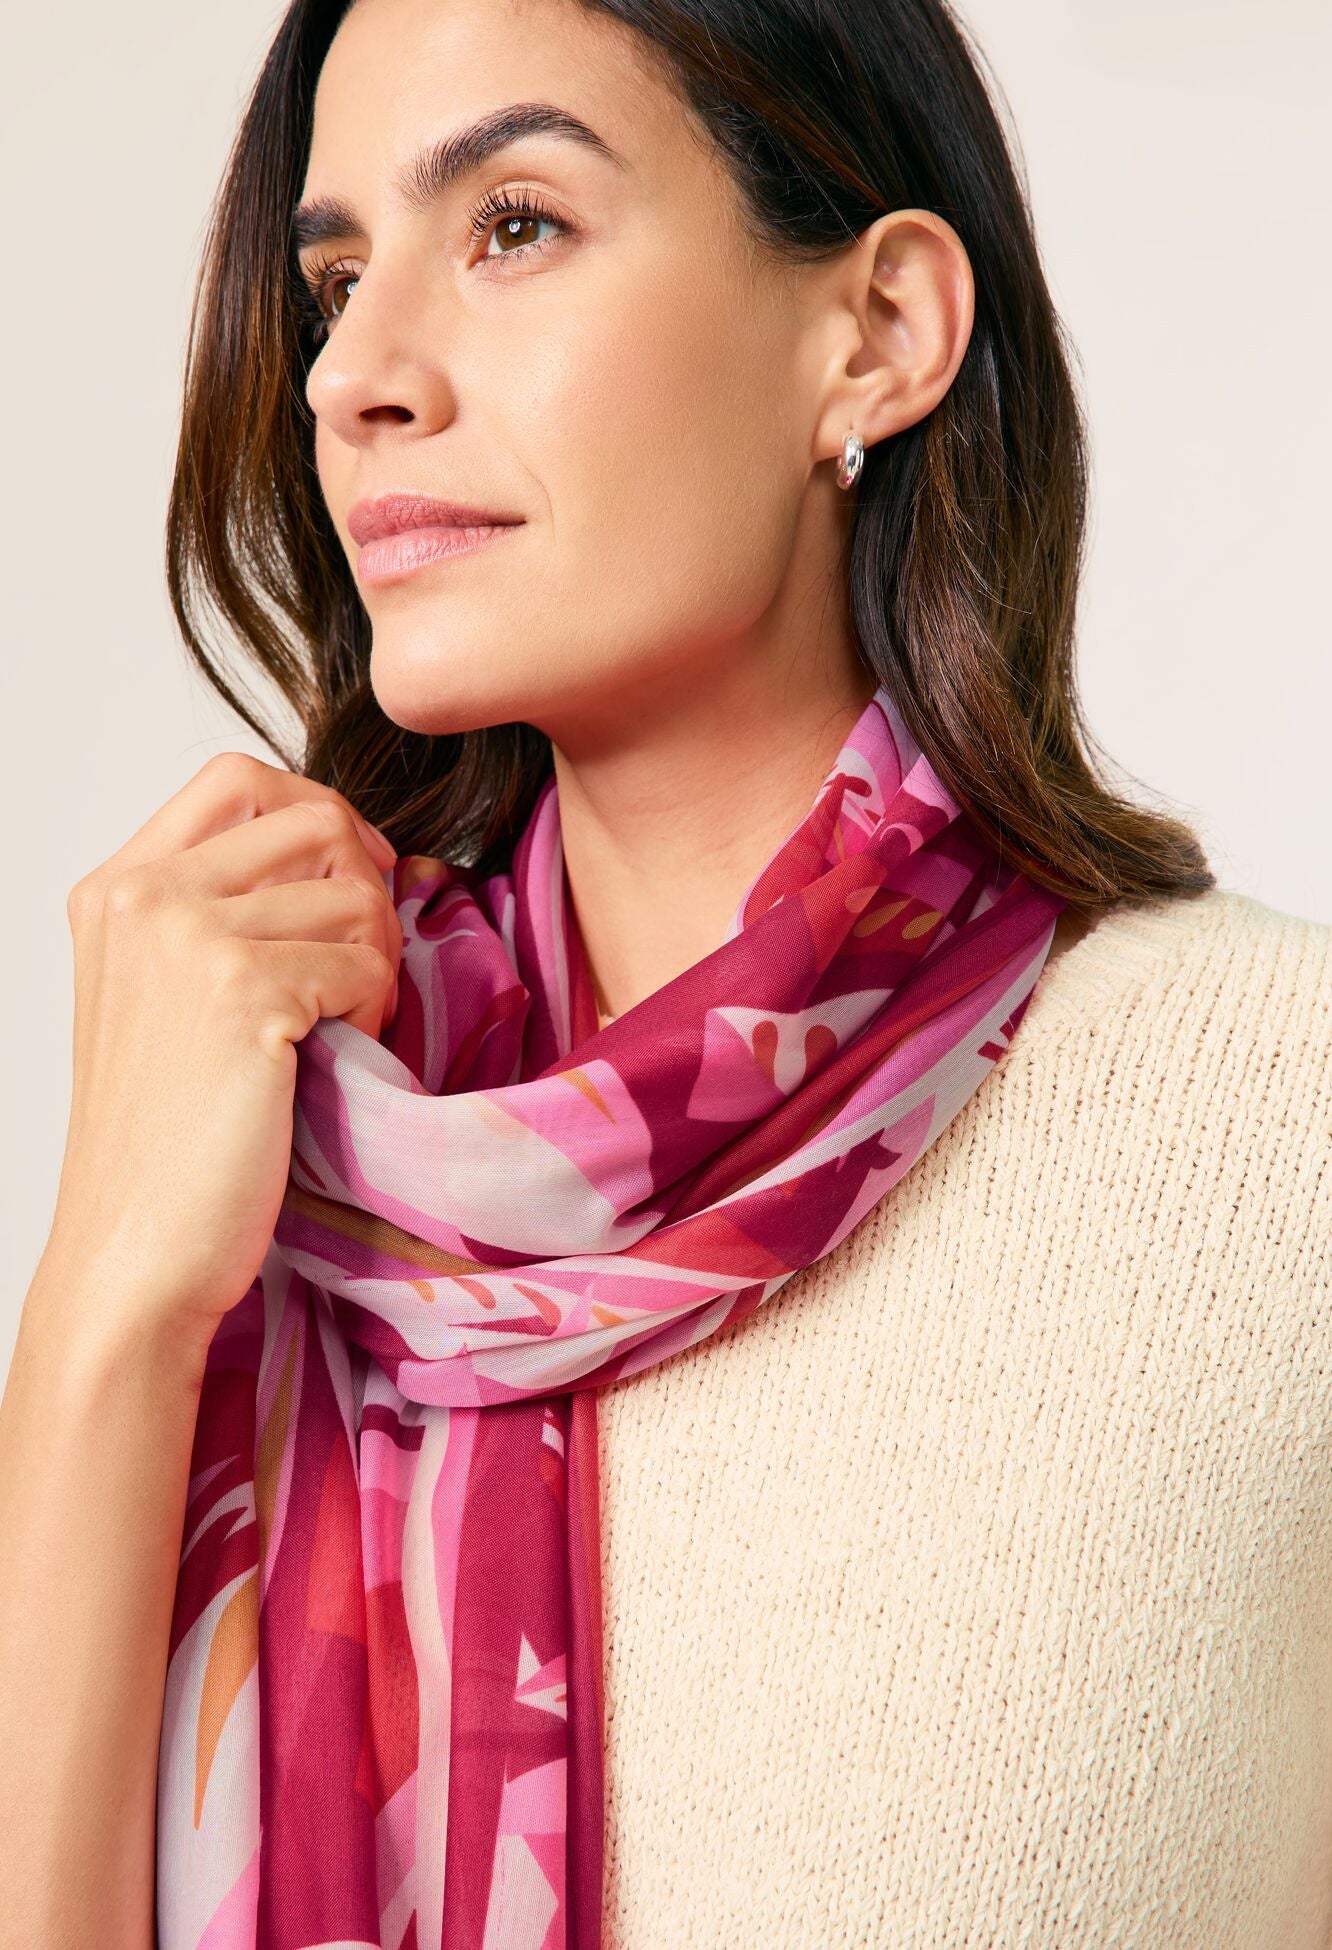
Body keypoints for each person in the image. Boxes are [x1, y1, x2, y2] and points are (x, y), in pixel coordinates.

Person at [1, 0, 1328, 1943]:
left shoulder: (1278, 1126)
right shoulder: (287, 1139)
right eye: (339, 279)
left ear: (875, 334)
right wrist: (106, 1318)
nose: (354, 374)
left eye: (514, 224)